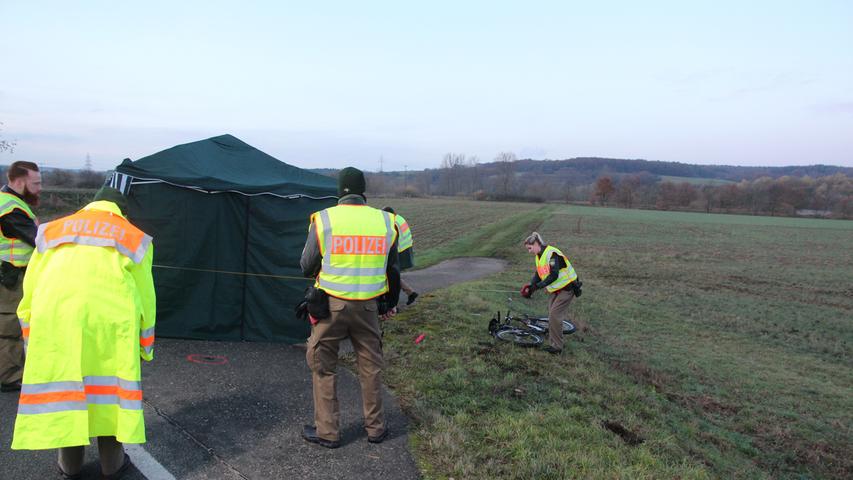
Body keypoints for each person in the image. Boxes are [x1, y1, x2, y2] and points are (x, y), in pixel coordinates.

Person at [11, 186, 156, 480]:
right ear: (121, 212)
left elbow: (31, 290)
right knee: (111, 398)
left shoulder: (50, 231)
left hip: (55, 322)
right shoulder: (133, 237)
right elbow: (146, 299)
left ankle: (70, 466)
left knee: (68, 396)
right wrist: (145, 348)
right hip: (110, 326)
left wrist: (31, 338)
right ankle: (111, 466)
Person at [300, 167, 400, 448]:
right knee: (370, 368)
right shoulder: (385, 221)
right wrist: (389, 304)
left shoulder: (324, 220)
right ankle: (376, 429)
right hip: (369, 308)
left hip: (331, 307)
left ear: (339, 191)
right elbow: (393, 269)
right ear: (363, 191)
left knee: (322, 366)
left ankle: (327, 432)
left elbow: (306, 266)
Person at [0, 161, 41, 393]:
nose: (39, 188)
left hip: (12, 273)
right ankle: (10, 378)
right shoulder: (11, 209)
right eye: (36, 183)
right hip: (10, 277)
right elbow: (36, 239)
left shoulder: (12, 202)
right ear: (19, 181)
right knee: (10, 328)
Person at [521, 232, 579, 354]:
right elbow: (538, 273)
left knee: (554, 315)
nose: (529, 251)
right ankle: (553, 343)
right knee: (552, 316)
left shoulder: (552, 254)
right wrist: (531, 287)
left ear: (536, 244)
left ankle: (557, 347)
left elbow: (554, 274)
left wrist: (538, 286)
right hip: (556, 290)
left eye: (529, 248)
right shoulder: (539, 256)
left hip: (567, 288)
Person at [382, 206, 418, 305]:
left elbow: (393, 242)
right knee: (393, 276)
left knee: (391, 277)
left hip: (399, 252)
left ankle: (392, 304)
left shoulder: (393, 223)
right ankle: (411, 293)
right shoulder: (398, 218)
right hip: (405, 250)